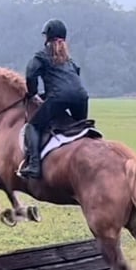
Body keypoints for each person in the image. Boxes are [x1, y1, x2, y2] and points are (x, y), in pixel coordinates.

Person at [18, 18, 90, 180]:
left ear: (47, 38)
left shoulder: (43, 56)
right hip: (81, 97)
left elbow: (30, 73)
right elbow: (72, 79)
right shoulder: (69, 60)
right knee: (80, 129)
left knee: (33, 126)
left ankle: (35, 166)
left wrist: (33, 93)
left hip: (58, 98)